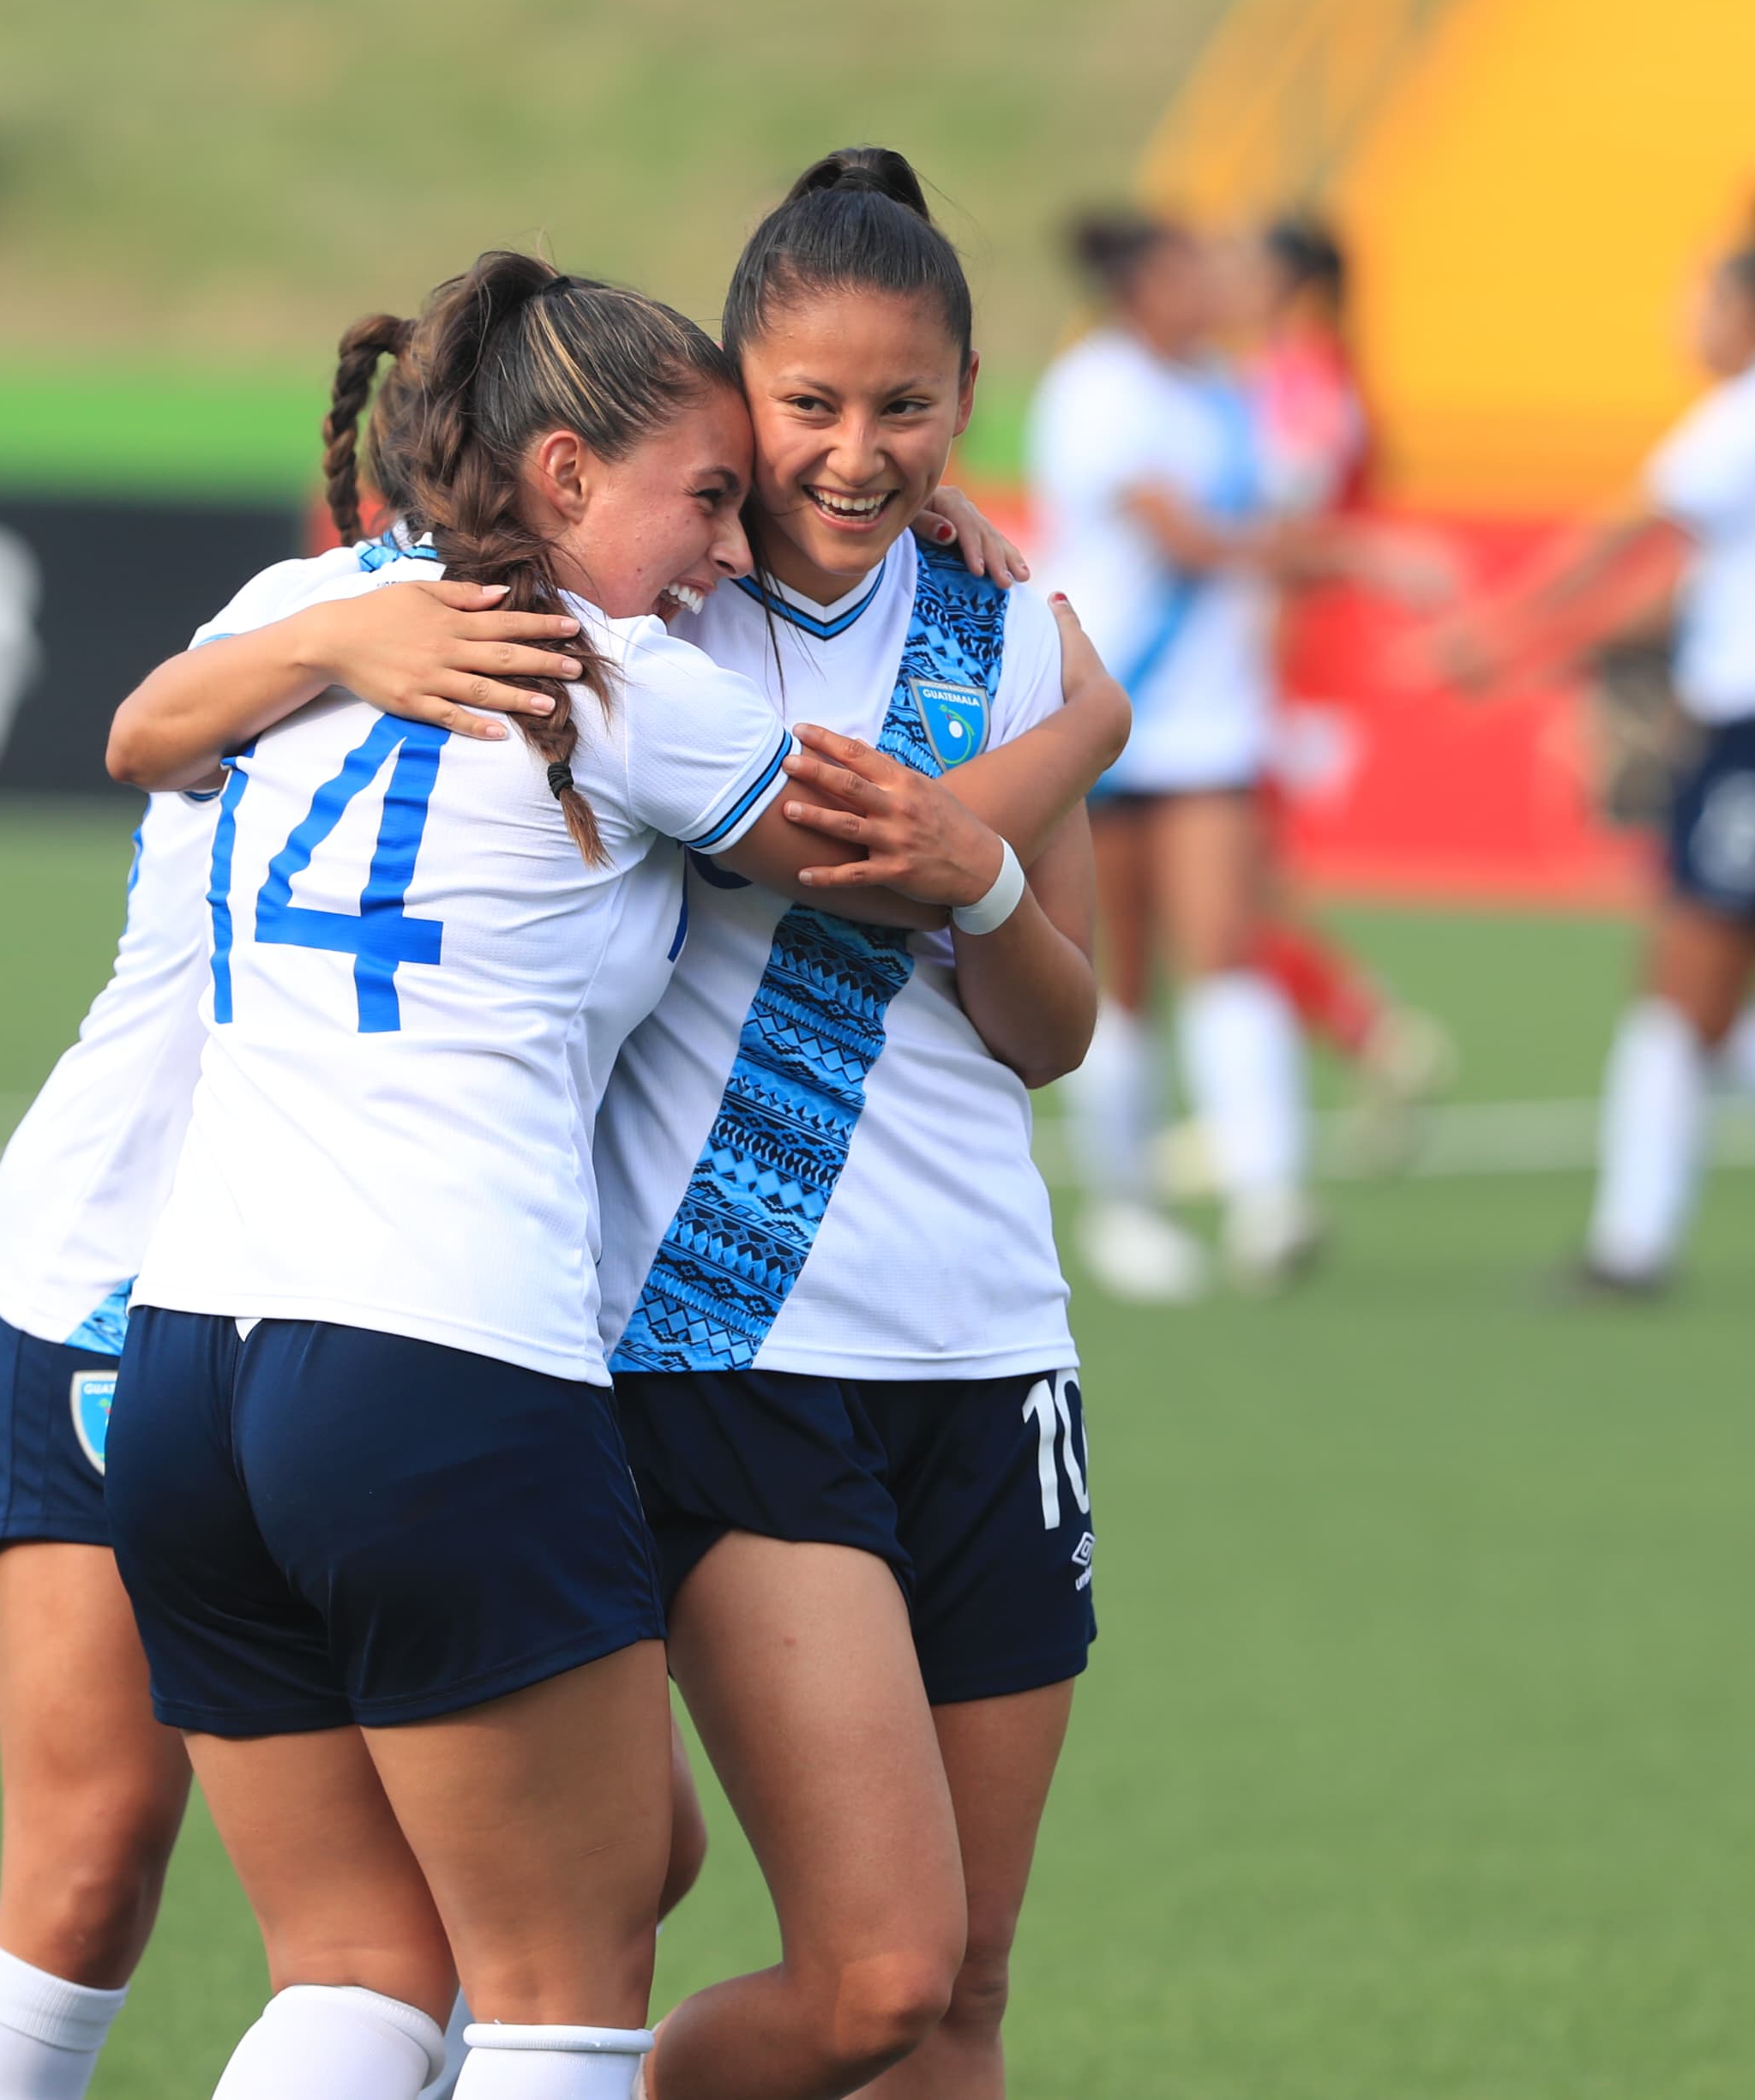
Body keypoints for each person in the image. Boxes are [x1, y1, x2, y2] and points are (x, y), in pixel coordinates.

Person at [96, 252, 1029, 2100]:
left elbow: (139, 730)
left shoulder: (310, 601)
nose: (725, 539)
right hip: (436, 1369)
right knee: (562, 1990)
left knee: (364, 1972)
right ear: (558, 477)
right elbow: (870, 849)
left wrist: (314, 652)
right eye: (706, 495)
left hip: (191, 1368)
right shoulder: (621, 680)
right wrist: (1082, 708)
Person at [0, 515, 725, 2100]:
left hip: (273, 1306)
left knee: (536, 1886)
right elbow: (141, 733)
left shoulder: (379, 611)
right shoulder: (386, 623)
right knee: (116, 1872)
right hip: (133, 1274)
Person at [600, 148, 1125, 2100]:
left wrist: (993, 880)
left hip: (987, 1347)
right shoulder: (667, 608)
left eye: (903, 406)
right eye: (807, 403)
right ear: (736, 387)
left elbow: (1050, 1025)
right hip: (738, 1355)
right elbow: (832, 849)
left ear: (964, 398)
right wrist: (1085, 735)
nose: (854, 448)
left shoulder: (1002, 626)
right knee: (877, 1979)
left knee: (969, 1998)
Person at [1431, 196, 1755, 1300]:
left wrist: (1499, 629)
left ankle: (1633, 1250)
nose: (1687, 315)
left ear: (1753, 309)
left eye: (1702, 294)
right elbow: (1678, 593)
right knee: (1711, 1001)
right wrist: (1547, 652)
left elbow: (1630, 532)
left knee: (1680, 992)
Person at [1031, 211, 1316, 1300]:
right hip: (1100, 706)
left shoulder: (1227, 391)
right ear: (1137, 288)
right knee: (1118, 964)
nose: (1207, 288)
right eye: (1186, 271)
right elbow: (1185, 536)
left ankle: (1269, 1193)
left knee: (1226, 943)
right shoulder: (1097, 386)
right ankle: (1125, 1204)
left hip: (1206, 719)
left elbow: (1252, 536)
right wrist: (1347, 552)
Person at [1238, 215, 1457, 1170]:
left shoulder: (1303, 385)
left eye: (1255, 269)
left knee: (1230, 901)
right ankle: (1327, 1061)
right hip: (1289, 662)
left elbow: (1292, 532)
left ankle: (1368, 1041)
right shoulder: (1305, 377)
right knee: (1234, 896)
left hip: (1288, 666)